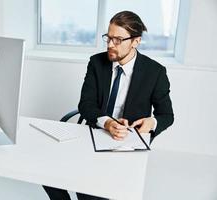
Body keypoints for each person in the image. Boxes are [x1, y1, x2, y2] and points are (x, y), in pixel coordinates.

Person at [43, 10, 174, 200]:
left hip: (125, 142)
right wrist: (106, 122)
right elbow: (85, 104)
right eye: (108, 38)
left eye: (118, 40)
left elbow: (167, 116)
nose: (110, 45)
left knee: (90, 191)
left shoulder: (155, 73)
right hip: (95, 132)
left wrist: (151, 123)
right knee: (47, 171)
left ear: (136, 41)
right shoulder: (96, 62)